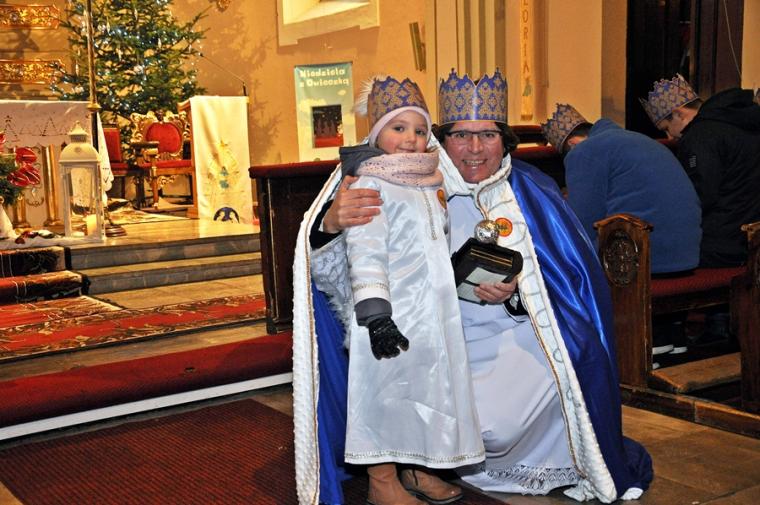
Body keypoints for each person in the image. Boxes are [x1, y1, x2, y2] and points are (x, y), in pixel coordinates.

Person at [292, 69, 653, 504]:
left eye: (488, 135)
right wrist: (331, 224)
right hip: (433, 331)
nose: (476, 148)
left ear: (505, 140)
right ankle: (401, 471)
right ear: (443, 139)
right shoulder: (390, 176)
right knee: (467, 419)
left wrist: (517, 290)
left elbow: (569, 282)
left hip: (514, 331)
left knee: (565, 378)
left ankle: (425, 467)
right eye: (462, 135)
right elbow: (338, 265)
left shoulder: (529, 189)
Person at [336, 75, 484, 505]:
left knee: (424, 392)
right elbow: (365, 251)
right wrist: (376, 314)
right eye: (398, 127)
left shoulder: (429, 180)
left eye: (419, 129)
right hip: (388, 313)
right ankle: (382, 481)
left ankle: (417, 469)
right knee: (385, 395)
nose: (410, 138)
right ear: (376, 132)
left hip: (431, 312)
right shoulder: (369, 182)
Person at [542, 103, 702, 357]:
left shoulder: (585, 152)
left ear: (572, 144)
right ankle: (670, 336)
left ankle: (625, 349)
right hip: (686, 253)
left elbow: (581, 222)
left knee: (567, 267)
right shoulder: (639, 140)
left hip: (646, 260)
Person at [640, 74, 760, 268]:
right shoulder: (745, 122)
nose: (669, 136)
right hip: (750, 238)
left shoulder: (700, 135)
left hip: (719, 243)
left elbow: (700, 194)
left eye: (667, 127)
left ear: (679, 114)